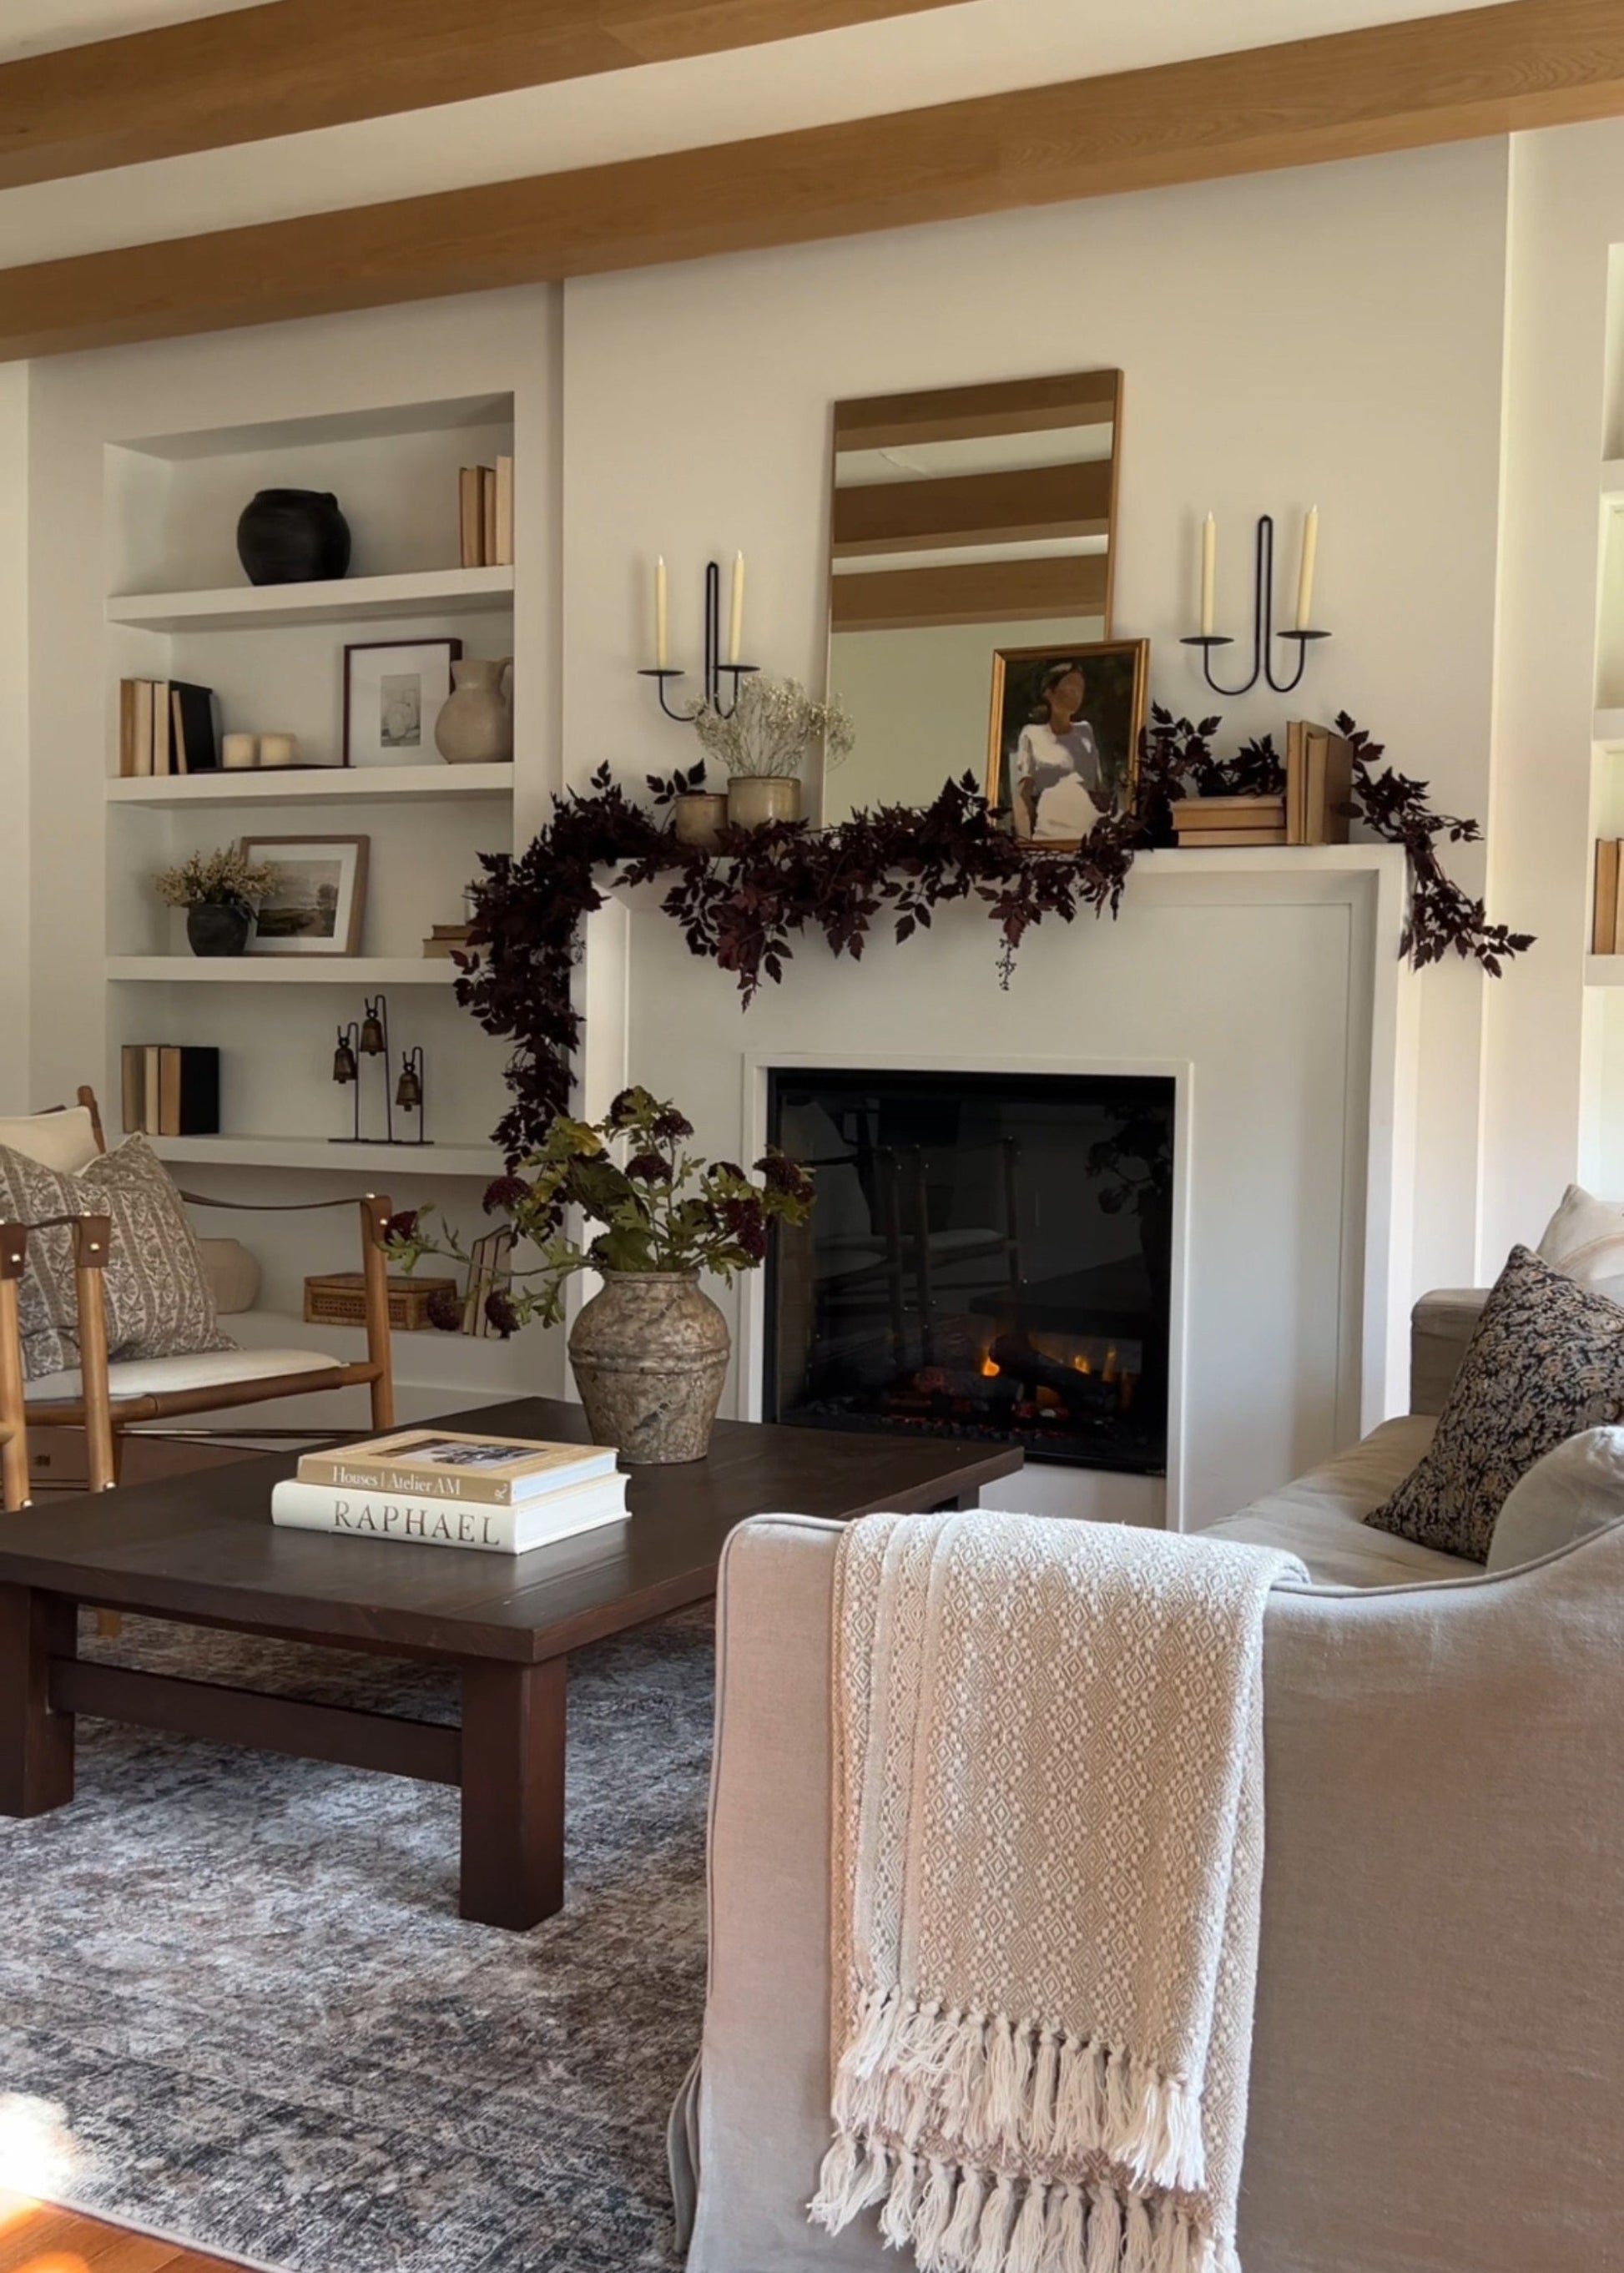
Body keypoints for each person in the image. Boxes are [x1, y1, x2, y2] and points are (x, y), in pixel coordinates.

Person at [1011, 662, 1111, 840]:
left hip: (1088, 830)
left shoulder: (1086, 731)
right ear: (1050, 693)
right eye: (1071, 689)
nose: (1077, 695)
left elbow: (1097, 786)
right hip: (1051, 831)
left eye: (1080, 689)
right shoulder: (1032, 734)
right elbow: (1023, 796)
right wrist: (1025, 842)